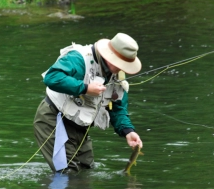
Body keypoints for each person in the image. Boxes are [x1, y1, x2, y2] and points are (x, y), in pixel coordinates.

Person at [33, 32, 143, 172]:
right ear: (110, 57)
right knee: (68, 173)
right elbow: (52, 77)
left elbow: (118, 109)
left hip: (80, 127)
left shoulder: (118, 76)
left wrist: (128, 131)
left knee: (86, 172)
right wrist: (85, 88)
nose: (122, 68)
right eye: (121, 64)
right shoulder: (79, 58)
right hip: (54, 120)